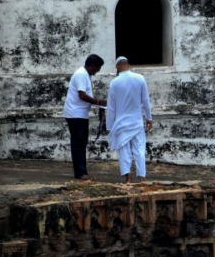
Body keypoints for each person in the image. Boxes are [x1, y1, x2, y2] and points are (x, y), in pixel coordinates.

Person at [106, 56, 153, 184]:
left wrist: (110, 127)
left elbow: (111, 107)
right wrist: (149, 118)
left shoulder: (114, 82)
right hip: (136, 122)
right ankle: (142, 177)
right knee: (139, 149)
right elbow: (146, 101)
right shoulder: (140, 78)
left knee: (124, 151)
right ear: (129, 65)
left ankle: (128, 178)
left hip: (121, 123)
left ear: (117, 67)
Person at [64, 54, 106, 181]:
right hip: (75, 114)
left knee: (81, 143)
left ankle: (81, 172)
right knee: (78, 144)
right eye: (97, 68)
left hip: (80, 114)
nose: (97, 71)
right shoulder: (81, 74)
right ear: (92, 66)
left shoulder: (85, 74)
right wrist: (98, 102)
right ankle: (81, 173)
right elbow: (82, 95)